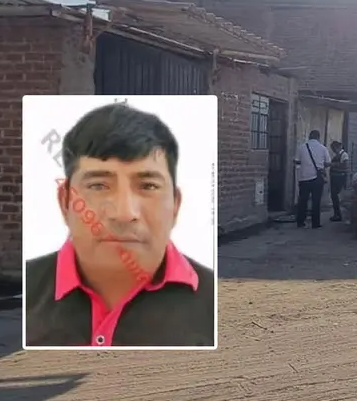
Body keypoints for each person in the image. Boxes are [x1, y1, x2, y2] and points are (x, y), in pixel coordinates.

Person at [25, 103, 215, 347]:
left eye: (148, 186)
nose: (124, 214)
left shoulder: (213, 303)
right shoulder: (26, 291)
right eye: (98, 186)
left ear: (175, 205)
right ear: (65, 201)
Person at [294, 129, 330, 228]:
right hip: (317, 179)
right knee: (316, 201)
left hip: (304, 178)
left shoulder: (301, 147)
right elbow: (327, 163)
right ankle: (315, 223)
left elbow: (297, 161)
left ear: (309, 137)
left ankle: (300, 222)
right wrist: (320, 165)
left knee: (303, 201)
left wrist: (305, 165)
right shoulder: (323, 148)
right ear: (318, 137)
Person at [329, 140, 350, 222]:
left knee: (337, 196)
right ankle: (337, 214)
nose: (333, 150)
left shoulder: (344, 155)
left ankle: (339, 215)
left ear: (338, 147)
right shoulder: (337, 155)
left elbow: (345, 166)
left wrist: (333, 165)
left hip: (339, 178)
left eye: (334, 148)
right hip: (335, 177)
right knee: (334, 196)